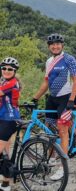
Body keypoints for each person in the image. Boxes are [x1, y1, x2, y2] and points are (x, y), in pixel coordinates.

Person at [32, 33, 76, 181]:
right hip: (52, 99)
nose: (55, 46)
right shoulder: (49, 62)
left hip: (65, 100)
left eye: (58, 43)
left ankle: (62, 166)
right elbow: (46, 82)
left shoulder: (69, 59)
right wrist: (35, 97)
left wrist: (71, 100)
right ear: (49, 47)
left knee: (62, 131)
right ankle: (52, 158)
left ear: (62, 45)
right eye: (52, 44)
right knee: (49, 129)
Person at [0, 57, 21, 191]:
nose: (6, 71)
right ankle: (6, 183)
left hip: (10, 120)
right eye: (4, 68)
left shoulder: (12, 83)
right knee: (5, 153)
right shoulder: (4, 81)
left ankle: (7, 182)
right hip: (3, 118)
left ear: (14, 71)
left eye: (10, 69)